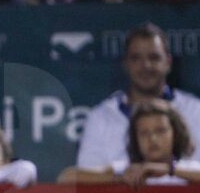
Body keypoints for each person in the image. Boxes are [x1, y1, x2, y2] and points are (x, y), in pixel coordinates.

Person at [76, 22, 200, 169]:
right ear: (125, 64)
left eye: (154, 57)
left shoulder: (195, 111)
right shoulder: (100, 117)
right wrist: (123, 173)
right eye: (136, 58)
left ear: (168, 62)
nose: (146, 65)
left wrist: (166, 170)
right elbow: (83, 176)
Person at [59, 99, 200, 187]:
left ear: (175, 133)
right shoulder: (127, 169)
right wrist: (118, 179)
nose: (153, 139)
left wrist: (167, 170)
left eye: (160, 131)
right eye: (144, 133)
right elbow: (66, 177)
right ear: (135, 138)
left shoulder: (188, 168)